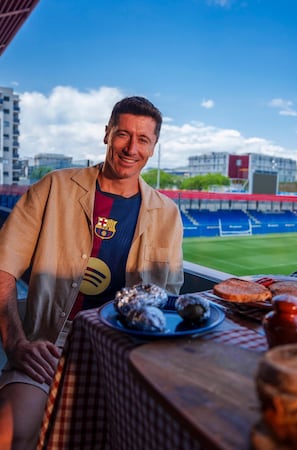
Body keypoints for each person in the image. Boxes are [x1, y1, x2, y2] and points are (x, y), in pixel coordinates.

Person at [0, 96, 184, 449]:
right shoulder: (54, 187)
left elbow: (167, 301)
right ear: (106, 134)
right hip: (51, 343)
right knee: (11, 433)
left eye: (143, 139)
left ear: (153, 147)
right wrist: (16, 344)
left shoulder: (169, 214)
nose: (131, 148)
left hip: (127, 348)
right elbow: (3, 267)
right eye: (122, 135)